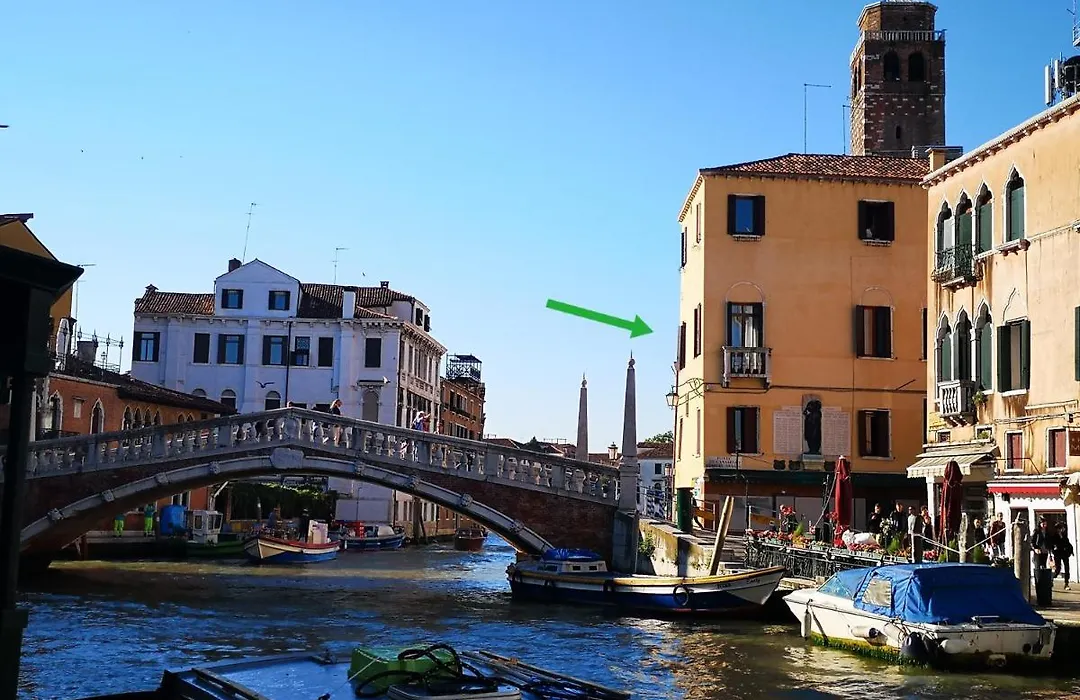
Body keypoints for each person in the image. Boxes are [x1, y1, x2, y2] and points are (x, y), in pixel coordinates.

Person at [1054, 525, 1073, 590]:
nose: (1060, 530)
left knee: (1067, 568)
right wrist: (1053, 550)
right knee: (1058, 569)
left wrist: (1070, 551)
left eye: (1061, 529)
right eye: (1059, 529)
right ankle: (1051, 579)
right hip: (1058, 554)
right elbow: (1052, 544)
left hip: (1064, 554)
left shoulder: (1064, 535)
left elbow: (1068, 544)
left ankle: (1066, 583)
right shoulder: (1054, 536)